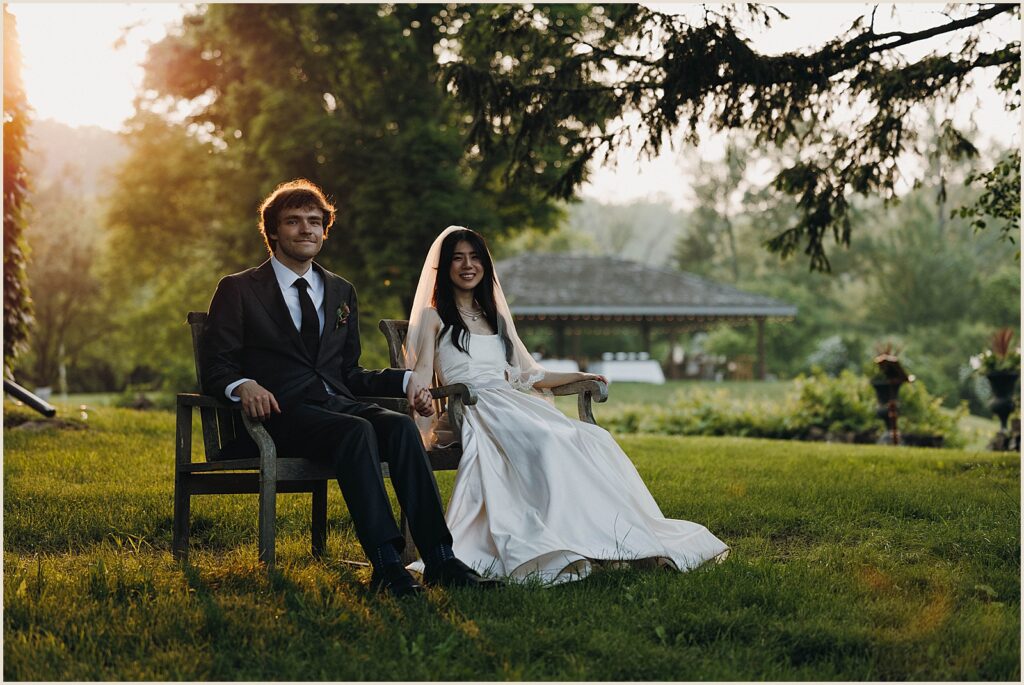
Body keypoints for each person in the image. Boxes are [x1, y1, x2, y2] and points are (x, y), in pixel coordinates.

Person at [201, 180, 501, 597]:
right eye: (293, 221)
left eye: (314, 221)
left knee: (399, 427)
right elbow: (216, 364)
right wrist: (243, 384)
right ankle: (386, 565)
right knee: (356, 431)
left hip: (336, 407)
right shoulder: (239, 288)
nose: (306, 229)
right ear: (272, 231)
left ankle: (440, 558)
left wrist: (406, 379)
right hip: (277, 416)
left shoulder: (340, 290)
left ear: (324, 231)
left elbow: (348, 372)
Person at [405, 226, 729, 584]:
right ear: (445, 267)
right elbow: (422, 372)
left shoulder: (493, 317)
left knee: (592, 439)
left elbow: (528, 374)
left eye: (475, 257)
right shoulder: (435, 317)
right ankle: (559, 540)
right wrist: (420, 396)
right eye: (458, 258)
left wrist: (580, 375)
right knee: (546, 439)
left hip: (510, 401)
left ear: (485, 264)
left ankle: (618, 538)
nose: (468, 265)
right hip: (473, 407)